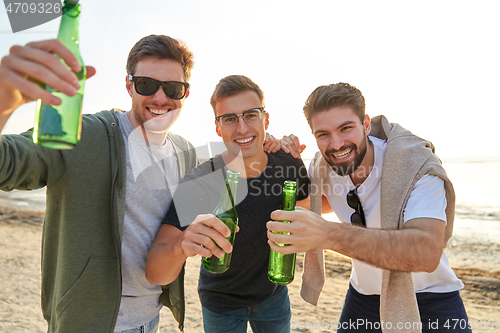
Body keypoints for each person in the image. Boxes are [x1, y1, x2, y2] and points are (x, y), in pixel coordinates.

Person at [0, 35, 280, 332]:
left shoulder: (185, 153)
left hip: (151, 317)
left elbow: (231, 171)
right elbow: (8, 165)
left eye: (173, 88)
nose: (160, 98)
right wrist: (5, 99)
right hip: (88, 321)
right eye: (146, 84)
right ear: (129, 85)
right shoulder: (82, 134)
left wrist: (272, 146)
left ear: (185, 93)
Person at [268, 83, 470, 333]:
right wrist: (278, 157)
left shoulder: (418, 166)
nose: (336, 144)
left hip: (432, 299)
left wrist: (328, 235)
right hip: (363, 297)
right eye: (323, 134)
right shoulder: (322, 167)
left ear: (365, 123)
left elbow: (427, 252)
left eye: (346, 128)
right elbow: (309, 206)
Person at [146, 75, 310, 333]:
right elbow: (155, 269)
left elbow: (309, 211)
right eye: (230, 119)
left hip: (273, 296)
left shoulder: (288, 163)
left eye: (251, 115)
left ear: (265, 119)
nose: (242, 128)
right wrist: (182, 244)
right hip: (219, 301)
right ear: (218, 128)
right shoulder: (202, 179)